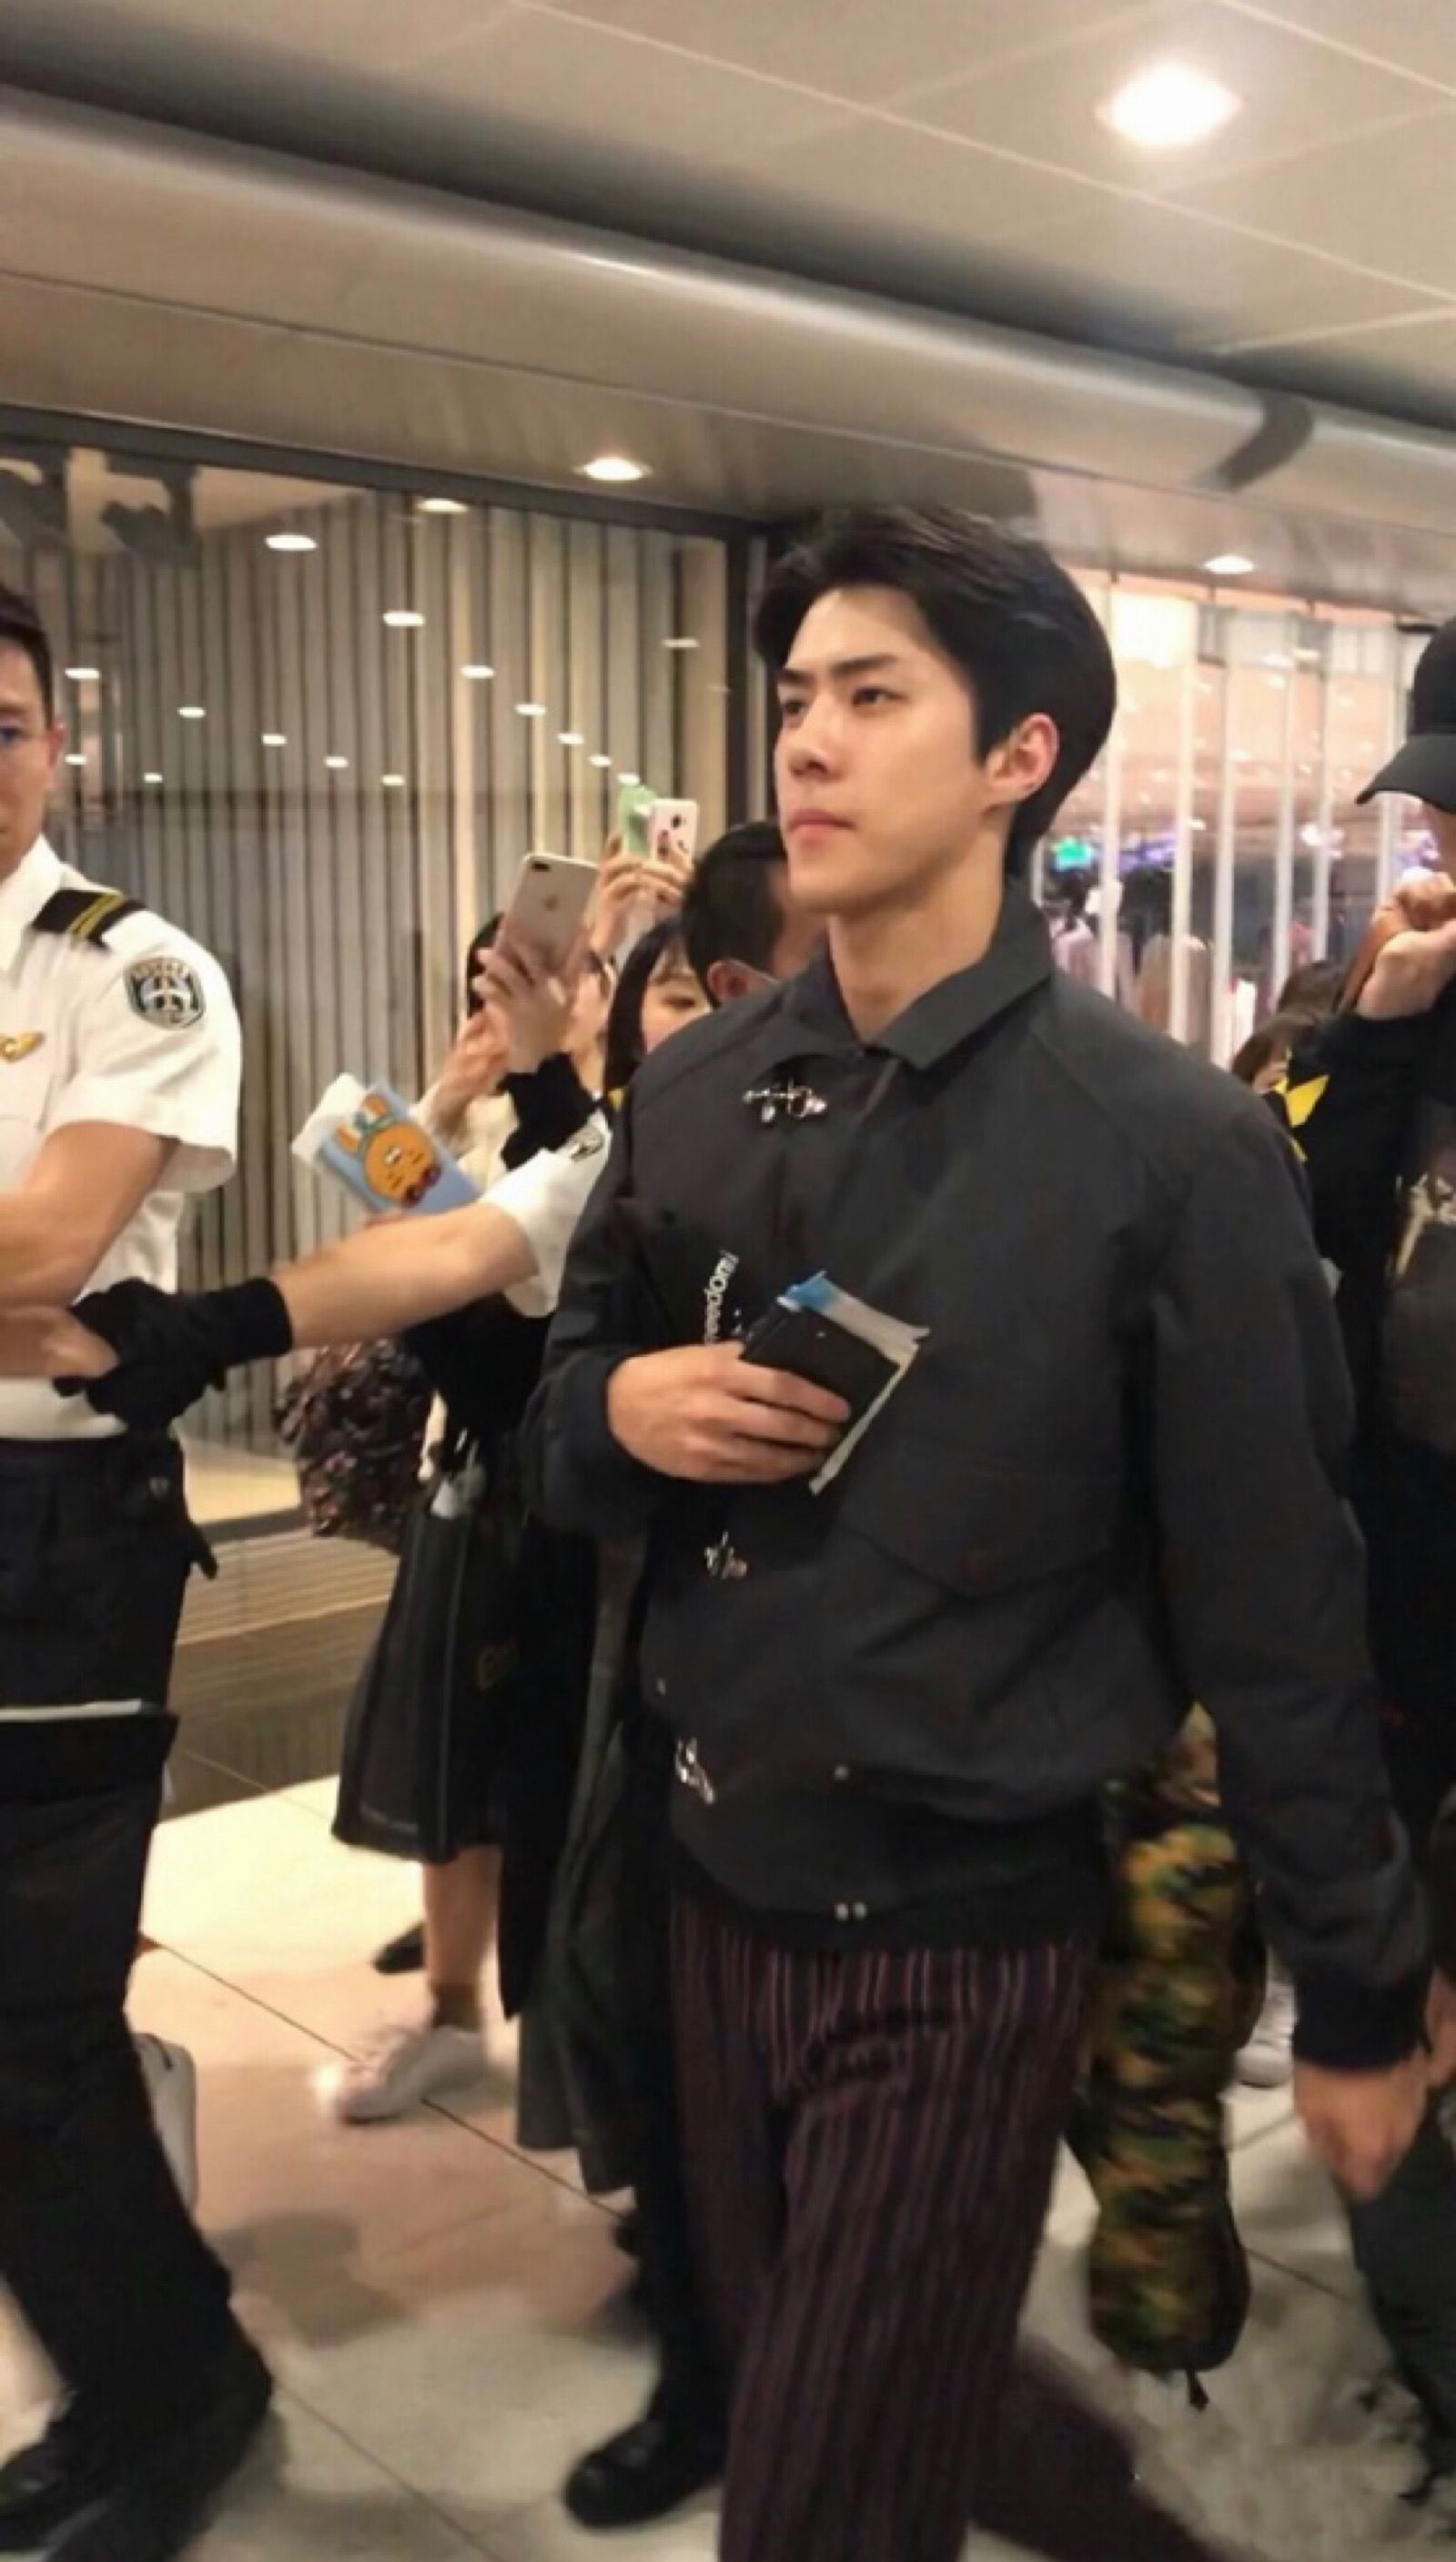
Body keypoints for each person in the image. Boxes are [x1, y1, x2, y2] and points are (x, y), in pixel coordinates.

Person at [521, 505, 1426, 2562]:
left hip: (960, 1918)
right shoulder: (693, 1089)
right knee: (811, 2388)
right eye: (794, 699)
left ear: (1020, 755)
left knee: (818, 2506)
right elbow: (563, 1416)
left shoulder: (1166, 1144)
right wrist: (627, 1410)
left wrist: (1361, 1987)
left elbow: (1280, 1605)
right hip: (705, 1875)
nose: (806, 743)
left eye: (871, 696)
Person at [0, 581, 268, 2562]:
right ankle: (146, 2370)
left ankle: (175, 2392)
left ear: (57, 745)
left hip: (56, 1541)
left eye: (0, 726)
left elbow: (49, 1255)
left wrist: (29, 1271)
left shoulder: (129, 968)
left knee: (31, 2019)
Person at [1269, 621, 1456, 2505]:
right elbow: (1303, 1224)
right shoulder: (1410, 1003)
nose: (1443, 849)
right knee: (1395, 2002)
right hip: (1407, 1581)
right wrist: (1378, 1032)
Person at [340, 916, 612, 2121]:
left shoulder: (630, 1122)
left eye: (551, 975)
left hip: (582, 1474)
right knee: (454, 1742)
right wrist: (443, 1106)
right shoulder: (482, 1121)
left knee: (566, 1762)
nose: (517, 1000)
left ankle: (569, 2019)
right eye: (492, 983)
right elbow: (387, 1259)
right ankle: (450, 2011)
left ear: (599, 988)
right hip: (471, 1470)